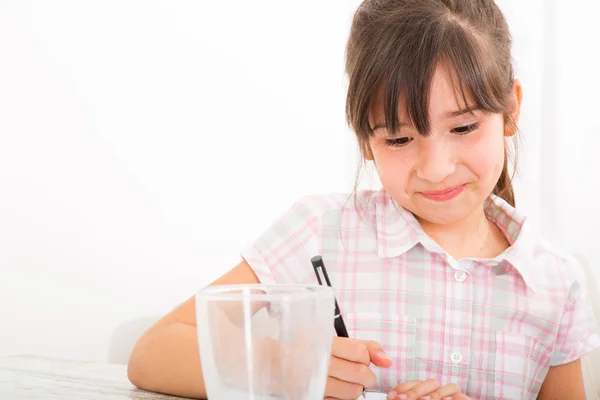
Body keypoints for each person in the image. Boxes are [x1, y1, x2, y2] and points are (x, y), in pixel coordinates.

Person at [127, 0, 600, 399]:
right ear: (364, 140)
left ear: (511, 110)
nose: (435, 168)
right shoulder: (318, 231)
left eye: (463, 127)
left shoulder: (556, 283)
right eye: (399, 139)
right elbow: (154, 352)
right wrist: (298, 368)